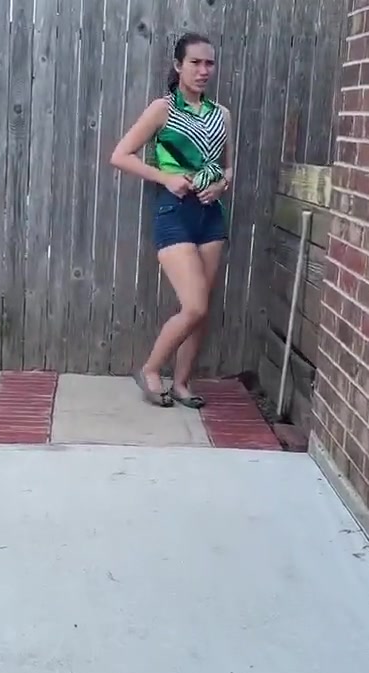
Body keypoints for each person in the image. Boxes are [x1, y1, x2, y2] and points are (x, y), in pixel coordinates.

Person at [109, 32, 232, 409]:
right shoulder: (163, 109)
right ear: (178, 65)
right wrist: (165, 178)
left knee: (201, 312)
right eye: (195, 62)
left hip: (211, 216)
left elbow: (228, 167)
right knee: (194, 306)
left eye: (209, 63)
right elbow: (120, 155)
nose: (203, 70)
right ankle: (150, 369)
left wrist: (222, 185)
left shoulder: (222, 114)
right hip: (174, 212)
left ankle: (181, 383)